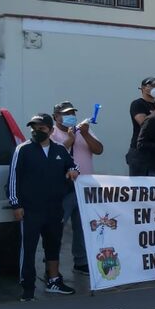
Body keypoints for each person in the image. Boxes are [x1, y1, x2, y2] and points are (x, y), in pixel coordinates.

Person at [9, 113, 78, 301]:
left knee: (53, 245)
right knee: (29, 248)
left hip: (55, 208)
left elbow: (73, 166)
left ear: (50, 129)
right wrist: (16, 204)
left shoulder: (60, 150)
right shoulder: (22, 150)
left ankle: (54, 280)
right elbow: (13, 178)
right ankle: (27, 287)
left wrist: (73, 171)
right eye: (33, 128)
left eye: (41, 128)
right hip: (30, 209)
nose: (36, 131)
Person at [51, 101, 103, 275]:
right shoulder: (52, 133)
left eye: (72, 113)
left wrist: (85, 135)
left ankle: (80, 261)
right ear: (56, 116)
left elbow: (99, 149)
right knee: (57, 226)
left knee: (82, 226)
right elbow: (52, 154)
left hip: (84, 186)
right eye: (65, 113)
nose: (70, 116)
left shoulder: (83, 131)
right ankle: (52, 264)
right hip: (63, 187)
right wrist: (70, 140)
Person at [127, 77, 155, 176]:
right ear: (143, 88)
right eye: (153, 85)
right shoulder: (138, 104)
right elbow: (143, 123)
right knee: (139, 185)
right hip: (139, 152)